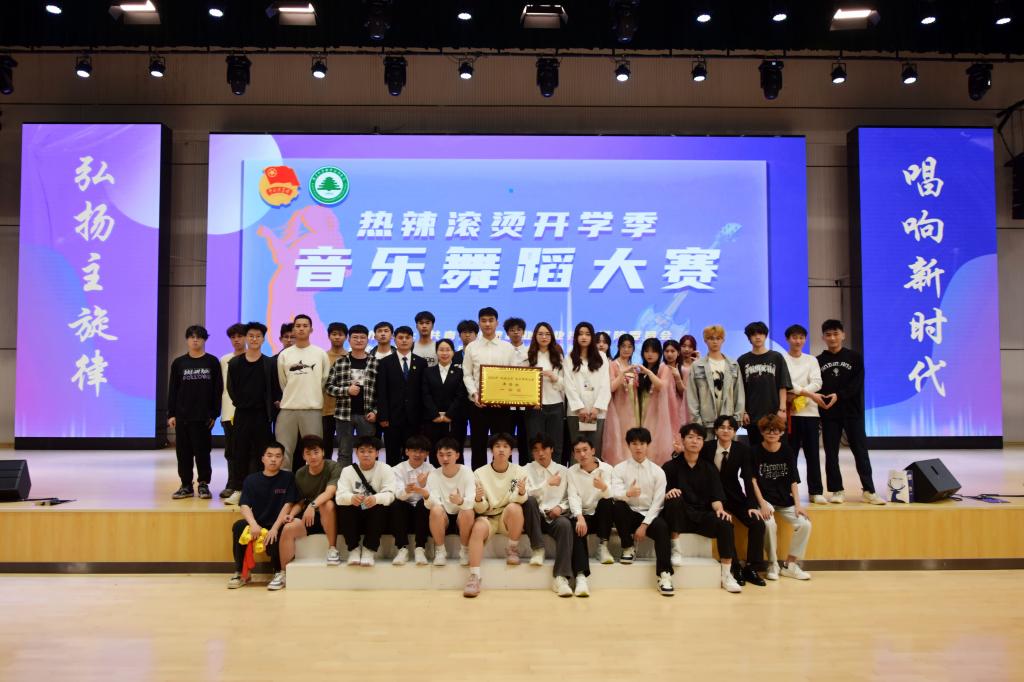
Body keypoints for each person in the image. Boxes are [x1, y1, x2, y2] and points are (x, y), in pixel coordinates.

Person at [663, 423, 744, 593]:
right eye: (690, 437)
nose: (695, 441)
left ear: (703, 442)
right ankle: (676, 549)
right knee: (674, 498)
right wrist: (668, 493)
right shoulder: (670, 467)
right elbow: (660, 496)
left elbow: (716, 497)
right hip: (679, 517)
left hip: (702, 516)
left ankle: (726, 575)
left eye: (699, 438)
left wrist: (720, 509)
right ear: (683, 440)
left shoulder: (709, 468)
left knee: (725, 522)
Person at [817, 320, 886, 505]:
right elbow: (817, 385)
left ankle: (869, 491)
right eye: (828, 335)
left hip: (852, 412)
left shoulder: (854, 357)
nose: (832, 338)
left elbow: (857, 384)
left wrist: (839, 395)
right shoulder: (818, 360)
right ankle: (836, 490)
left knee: (860, 451)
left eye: (836, 334)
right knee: (831, 453)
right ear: (823, 337)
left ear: (843, 335)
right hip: (829, 413)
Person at [699, 415, 767, 586]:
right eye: (722, 427)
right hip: (711, 497)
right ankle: (735, 567)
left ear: (735, 432)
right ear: (716, 430)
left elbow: (748, 478)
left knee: (757, 523)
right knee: (725, 524)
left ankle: (752, 568)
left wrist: (752, 505)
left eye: (730, 428)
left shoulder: (742, 450)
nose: (726, 431)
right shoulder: (706, 448)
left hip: (735, 495)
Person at [611, 427, 674, 596]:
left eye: (642, 443)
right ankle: (627, 547)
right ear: (628, 445)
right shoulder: (619, 469)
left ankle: (664, 575)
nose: (638, 447)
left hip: (649, 515)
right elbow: (614, 493)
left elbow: (658, 503)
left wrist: (645, 525)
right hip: (628, 514)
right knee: (617, 506)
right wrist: (627, 494)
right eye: (634, 443)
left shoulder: (658, 472)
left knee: (662, 528)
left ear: (648, 445)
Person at [273, 435, 342, 589]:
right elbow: (300, 502)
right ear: (303, 456)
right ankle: (282, 573)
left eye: (316, 452)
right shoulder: (300, 473)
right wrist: (291, 514)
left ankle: (332, 549)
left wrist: (312, 505)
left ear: (323, 452)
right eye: (308, 453)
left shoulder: (333, 467)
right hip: (309, 517)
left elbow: (330, 492)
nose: (313, 457)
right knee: (288, 528)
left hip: (330, 517)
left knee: (327, 505)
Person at [228, 442, 298, 590]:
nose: (273, 459)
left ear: (282, 460)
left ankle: (279, 572)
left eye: (278, 456)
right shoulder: (251, 479)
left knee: (281, 532)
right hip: (258, 523)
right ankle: (241, 573)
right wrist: (253, 524)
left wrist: (274, 528)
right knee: (239, 526)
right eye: (269, 455)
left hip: (278, 523)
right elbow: (244, 505)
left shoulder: (288, 477)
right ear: (263, 458)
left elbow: (288, 504)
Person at [465, 433, 528, 598]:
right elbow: (480, 508)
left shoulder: (518, 471)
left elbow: (515, 497)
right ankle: (474, 576)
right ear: (491, 450)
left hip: (507, 515)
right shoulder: (480, 473)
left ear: (511, 451)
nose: (501, 450)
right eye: (497, 446)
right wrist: (478, 499)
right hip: (488, 516)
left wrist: (521, 492)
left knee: (515, 508)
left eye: (505, 446)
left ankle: (512, 549)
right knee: (477, 529)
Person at [750, 415, 813, 580]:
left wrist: (798, 505)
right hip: (765, 500)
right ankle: (772, 563)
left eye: (776, 431)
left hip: (785, 500)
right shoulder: (754, 451)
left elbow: (793, 480)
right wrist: (762, 504)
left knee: (805, 524)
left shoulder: (787, 450)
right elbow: (753, 480)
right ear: (762, 432)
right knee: (769, 524)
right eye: (768, 430)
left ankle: (790, 565)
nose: (772, 433)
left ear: (782, 433)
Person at [167, 324, 223, 500]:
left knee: (203, 453)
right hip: (183, 416)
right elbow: (173, 389)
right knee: (183, 454)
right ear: (187, 340)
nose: (195, 340)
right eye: (192, 337)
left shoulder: (212, 362)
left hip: (203, 417)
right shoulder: (179, 363)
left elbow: (217, 390)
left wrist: (214, 414)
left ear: (204, 340)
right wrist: (171, 413)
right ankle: (186, 485)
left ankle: (203, 484)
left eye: (199, 337)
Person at [227, 322, 278, 505]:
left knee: (261, 453)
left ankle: (260, 490)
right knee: (239, 452)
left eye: (258, 336)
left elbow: (274, 388)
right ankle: (239, 490)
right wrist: (240, 403)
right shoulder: (235, 363)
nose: (254, 339)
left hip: (262, 415)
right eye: (251, 336)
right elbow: (231, 388)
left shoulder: (269, 363)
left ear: (263, 339)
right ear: (246, 338)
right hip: (242, 414)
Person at [522, 434, 577, 597]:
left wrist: (561, 507)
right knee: (529, 501)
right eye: (536, 450)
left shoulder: (564, 471)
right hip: (534, 517)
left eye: (544, 448)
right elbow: (523, 494)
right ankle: (538, 549)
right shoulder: (525, 470)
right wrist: (547, 484)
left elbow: (572, 496)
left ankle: (561, 577)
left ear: (552, 449)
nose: (541, 453)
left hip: (555, 517)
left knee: (565, 525)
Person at [462, 307, 515, 470]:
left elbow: (513, 375)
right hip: (478, 405)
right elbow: (467, 375)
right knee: (478, 445)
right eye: (484, 320)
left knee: (503, 446)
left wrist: (505, 397)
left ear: (497, 323)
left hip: (502, 406)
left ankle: (508, 481)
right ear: (479, 323)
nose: (487, 324)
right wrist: (474, 394)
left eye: (491, 320)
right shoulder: (472, 347)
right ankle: (478, 482)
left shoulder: (507, 347)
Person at [276, 314, 330, 470]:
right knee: (284, 450)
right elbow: (283, 382)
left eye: (305, 326)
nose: (301, 329)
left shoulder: (320, 353)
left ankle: (315, 482)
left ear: (311, 329)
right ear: (293, 329)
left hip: (312, 409)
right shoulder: (285, 354)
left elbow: (323, 380)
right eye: (298, 326)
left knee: (314, 451)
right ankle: (284, 482)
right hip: (288, 409)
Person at [782, 324, 827, 504]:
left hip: (810, 414)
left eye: (801, 337)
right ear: (788, 339)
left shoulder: (811, 360)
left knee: (813, 454)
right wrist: (807, 393)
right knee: (790, 455)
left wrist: (800, 394)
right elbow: (786, 382)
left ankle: (816, 491)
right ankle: (789, 491)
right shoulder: (782, 359)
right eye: (794, 337)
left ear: (805, 339)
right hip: (790, 414)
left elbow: (817, 382)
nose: (798, 341)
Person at [335, 435, 396, 567]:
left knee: (381, 506)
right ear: (356, 453)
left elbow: (391, 494)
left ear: (377, 453)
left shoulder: (386, 469)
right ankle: (353, 549)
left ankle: (369, 550)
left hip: (376, 513)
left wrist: (376, 498)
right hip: (355, 512)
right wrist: (351, 498)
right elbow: (339, 496)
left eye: (370, 451)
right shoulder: (347, 471)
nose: (366, 455)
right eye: (362, 451)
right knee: (345, 506)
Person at [324, 324, 379, 467]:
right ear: (349, 340)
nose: (359, 340)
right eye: (355, 337)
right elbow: (328, 387)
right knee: (344, 453)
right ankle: (344, 481)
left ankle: (368, 480)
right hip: (343, 415)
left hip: (367, 416)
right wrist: (346, 390)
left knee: (368, 453)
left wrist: (376, 411)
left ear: (368, 340)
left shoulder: (375, 363)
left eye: (362, 337)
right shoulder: (340, 362)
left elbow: (382, 392)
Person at [567, 437, 615, 594]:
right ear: (574, 455)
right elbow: (573, 496)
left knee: (606, 501)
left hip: (602, 516)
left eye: (585, 450)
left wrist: (604, 487)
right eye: (578, 451)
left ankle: (603, 546)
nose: (582, 454)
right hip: (584, 515)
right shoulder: (571, 472)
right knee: (576, 526)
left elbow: (613, 495)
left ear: (593, 451)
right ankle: (581, 577)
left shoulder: (607, 469)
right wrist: (579, 516)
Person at [376, 325, 428, 466]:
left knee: (415, 453)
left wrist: (424, 417)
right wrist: (383, 416)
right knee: (392, 454)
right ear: (395, 340)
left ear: (412, 339)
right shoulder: (385, 363)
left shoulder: (421, 363)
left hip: (415, 419)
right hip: (392, 418)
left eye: (407, 337)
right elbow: (382, 391)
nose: (404, 340)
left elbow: (424, 391)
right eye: (400, 337)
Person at [737, 321, 792, 447]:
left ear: (766, 336)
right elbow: (740, 389)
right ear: (749, 338)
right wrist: (743, 411)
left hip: (774, 413)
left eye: (761, 334)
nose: (758, 337)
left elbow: (783, 385)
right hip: (753, 415)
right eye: (754, 334)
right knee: (755, 450)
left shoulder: (776, 357)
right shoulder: (742, 360)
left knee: (777, 448)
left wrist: (782, 409)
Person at [425, 437, 477, 566]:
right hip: (443, 517)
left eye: (449, 455)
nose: (445, 459)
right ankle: (440, 551)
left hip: (462, 514)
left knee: (468, 511)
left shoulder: (467, 472)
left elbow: (472, 500)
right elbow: (433, 503)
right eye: (441, 455)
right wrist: (426, 495)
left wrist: (460, 501)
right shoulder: (433, 474)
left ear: (457, 455)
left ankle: (465, 550)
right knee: (436, 510)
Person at [563, 322, 611, 463]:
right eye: (580, 334)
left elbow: (605, 384)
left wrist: (597, 407)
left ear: (592, 337)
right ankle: (575, 477)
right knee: (577, 450)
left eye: (587, 334)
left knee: (595, 450)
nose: (584, 337)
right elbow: (568, 385)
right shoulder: (569, 358)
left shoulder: (602, 357)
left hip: (597, 412)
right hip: (576, 413)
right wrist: (579, 408)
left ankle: (595, 477)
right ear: (576, 337)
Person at [687, 325, 745, 440]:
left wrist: (737, 418)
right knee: (706, 450)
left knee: (728, 450)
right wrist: (696, 420)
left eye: (718, 338)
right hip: (705, 421)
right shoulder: (697, 365)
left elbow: (739, 393)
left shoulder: (733, 364)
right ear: (705, 340)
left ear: (723, 340)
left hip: (728, 421)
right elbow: (692, 395)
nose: (715, 342)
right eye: (711, 338)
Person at [390, 435, 435, 566]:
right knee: (396, 504)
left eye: (421, 451)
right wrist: (407, 490)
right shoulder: (397, 469)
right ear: (407, 451)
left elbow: (433, 497)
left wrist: (423, 486)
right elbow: (397, 494)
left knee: (423, 504)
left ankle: (420, 548)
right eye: (414, 450)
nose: (417, 454)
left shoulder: (431, 469)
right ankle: (402, 549)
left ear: (427, 454)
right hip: (405, 507)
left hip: (423, 510)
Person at [524, 322, 566, 464]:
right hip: (535, 406)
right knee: (535, 445)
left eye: (547, 334)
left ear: (552, 337)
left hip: (556, 405)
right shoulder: (528, 355)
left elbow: (565, 384)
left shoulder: (558, 356)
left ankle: (556, 474)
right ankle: (535, 475)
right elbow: (521, 382)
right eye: (540, 334)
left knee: (556, 445)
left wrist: (554, 377)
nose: (544, 337)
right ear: (535, 336)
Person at [421, 339, 468, 460]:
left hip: (455, 419)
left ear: (453, 352)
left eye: (448, 350)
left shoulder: (461, 372)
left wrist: (449, 415)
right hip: (433, 419)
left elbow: (461, 396)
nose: (444, 353)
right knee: (434, 452)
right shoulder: (427, 372)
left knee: (455, 451)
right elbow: (425, 395)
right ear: (436, 352)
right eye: (441, 350)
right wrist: (435, 414)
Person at [219, 323, 247, 499]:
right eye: (233, 337)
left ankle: (248, 485)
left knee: (249, 451)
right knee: (231, 451)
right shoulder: (224, 360)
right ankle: (232, 484)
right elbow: (220, 388)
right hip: (229, 412)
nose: (236, 340)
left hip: (248, 413)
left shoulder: (254, 358)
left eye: (240, 336)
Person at [637, 338, 675, 465]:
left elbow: (661, 386)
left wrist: (648, 372)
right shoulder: (640, 370)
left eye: (653, 351)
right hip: (642, 412)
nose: (650, 354)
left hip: (656, 413)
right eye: (646, 351)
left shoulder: (664, 368)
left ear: (659, 353)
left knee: (653, 444)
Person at [604, 333, 639, 465]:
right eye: (623, 346)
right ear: (618, 347)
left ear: (633, 349)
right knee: (619, 440)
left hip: (632, 410)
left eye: (630, 347)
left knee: (631, 439)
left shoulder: (634, 367)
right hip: (618, 409)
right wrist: (623, 374)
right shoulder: (613, 365)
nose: (626, 349)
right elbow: (611, 387)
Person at [504, 316, 531, 462]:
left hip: (525, 402)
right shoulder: (502, 350)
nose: (516, 332)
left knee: (524, 439)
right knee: (506, 438)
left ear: (523, 332)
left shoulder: (530, 352)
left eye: (519, 329)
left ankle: (524, 470)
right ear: (507, 333)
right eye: (512, 330)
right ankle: (506, 468)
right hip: (506, 402)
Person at [322, 322, 349, 461]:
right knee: (325, 446)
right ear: (328, 336)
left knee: (345, 447)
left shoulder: (350, 357)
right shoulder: (322, 356)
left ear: (346, 337)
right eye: (334, 334)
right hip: (326, 409)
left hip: (345, 410)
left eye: (340, 334)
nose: (337, 337)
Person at [661, 339, 690, 433]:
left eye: (672, 351)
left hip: (678, 408)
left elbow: (684, 393)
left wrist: (677, 377)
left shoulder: (684, 370)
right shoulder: (660, 368)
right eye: (666, 351)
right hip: (663, 407)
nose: (669, 354)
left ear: (678, 353)